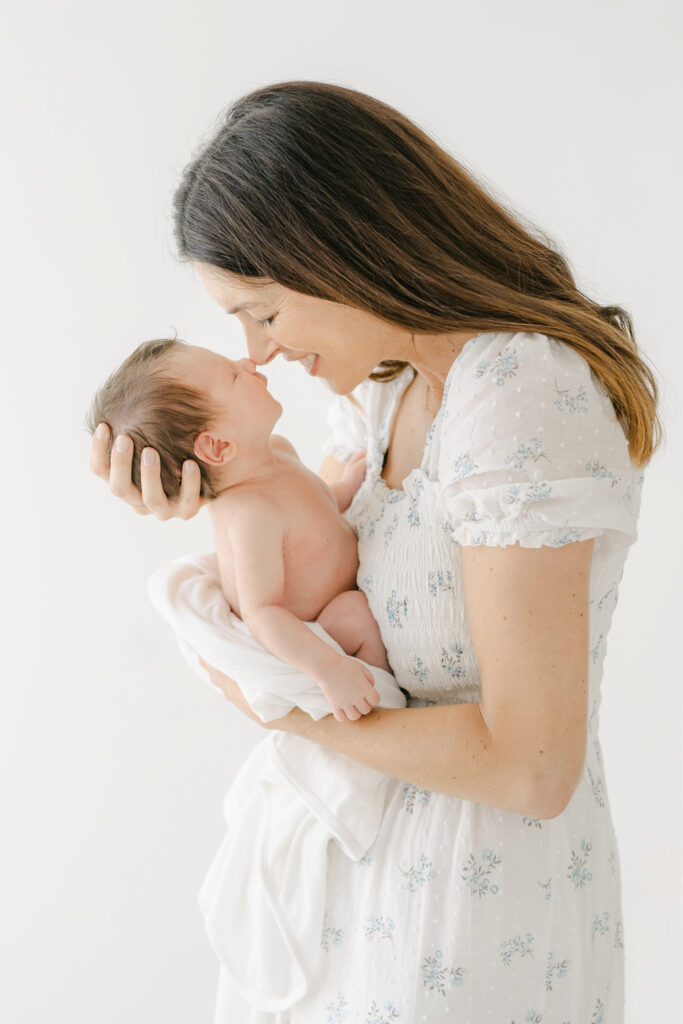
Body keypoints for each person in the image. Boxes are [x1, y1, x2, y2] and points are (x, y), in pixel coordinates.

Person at [89, 81, 661, 1022]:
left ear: (342, 251)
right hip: (367, 912)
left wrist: (282, 708)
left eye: (264, 314)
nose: (258, 354)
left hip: (467, 923)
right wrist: (208, 490)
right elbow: (304, 549)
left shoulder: (516, 394)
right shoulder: (387, 394)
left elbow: (530, 768)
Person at [85, 335, 389, 722]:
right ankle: (379, 696)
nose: (248, 363)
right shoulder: (249, 517)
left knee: (356, 607)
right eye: (232, 375)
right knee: (356, 614)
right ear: (217, 446)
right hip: (317, 626)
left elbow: (316, 508)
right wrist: (329, 668)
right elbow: (262, 612)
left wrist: (347, 486)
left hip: (339, 590)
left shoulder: (278, 450)